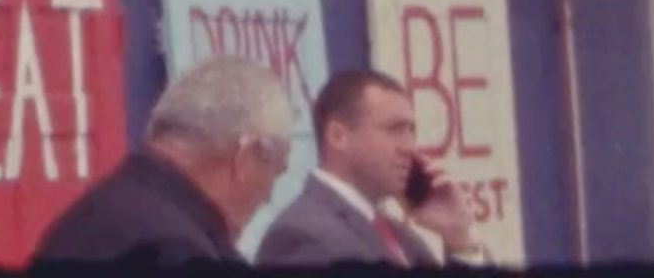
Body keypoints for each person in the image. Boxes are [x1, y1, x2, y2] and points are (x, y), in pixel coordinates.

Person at [31, 55, 293, 264]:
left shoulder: (85, 218)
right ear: (245, 158)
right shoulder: (179, 251)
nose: (268, 196)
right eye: (276, 170)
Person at [255, 69, 489, 267]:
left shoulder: (404, 239)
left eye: (411, 132)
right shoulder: (302, 236)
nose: (409, 147)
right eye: (394, 130)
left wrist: (460, 239)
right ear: (338, 136)